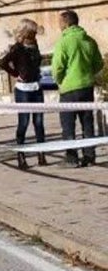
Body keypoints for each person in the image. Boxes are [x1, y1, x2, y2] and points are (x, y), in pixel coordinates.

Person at [51, 10, 104, 168]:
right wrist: (88, 74)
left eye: (60, 22)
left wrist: (60, 80)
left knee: (68, 124)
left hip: (69, 88)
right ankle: (89, 156)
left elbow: (57, 67)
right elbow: (99, 63)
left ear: (66, 23)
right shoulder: (89, 40)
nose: (59, 26)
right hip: (86, 86)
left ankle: (72, 158)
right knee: (87, 122)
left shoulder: (64, 42)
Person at [0, 19, 46, 168]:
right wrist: (15, 74)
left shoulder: (35, 45)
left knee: (39, 122)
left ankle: (41, 153)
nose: (34, 35)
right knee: (24, 122)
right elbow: (3, 63)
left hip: (36, 86)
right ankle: (21, 155)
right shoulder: (17, 48)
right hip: (23, 89)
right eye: (32, 32)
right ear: (26, 32)